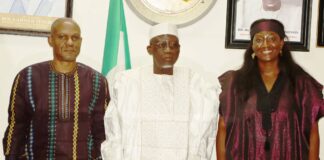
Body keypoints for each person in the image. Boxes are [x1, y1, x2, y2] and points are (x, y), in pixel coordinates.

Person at [101, 23, 219, 160]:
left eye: (174, 45)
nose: (169, 50)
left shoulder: (196, 84)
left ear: (179, 49)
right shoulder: (128, 83)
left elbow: (204, 132)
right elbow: (115, 133)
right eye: (162, 45)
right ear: (149, 49)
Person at [216, 19, 324, 159]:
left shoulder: (301, 83)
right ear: (252, 46)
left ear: (281, 43)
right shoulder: (235, 83)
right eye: (259, 40)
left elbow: (313, 132)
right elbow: (223, 128)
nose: (265, 44)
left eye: (272, 38)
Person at [2, 18, 109, 160]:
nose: (70, 42)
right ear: (50, 40)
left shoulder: (97, 81)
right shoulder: (28, 77)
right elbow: (16, 129)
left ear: (81, 41)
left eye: (75, 38)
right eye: (62, 37)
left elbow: (102, 132)